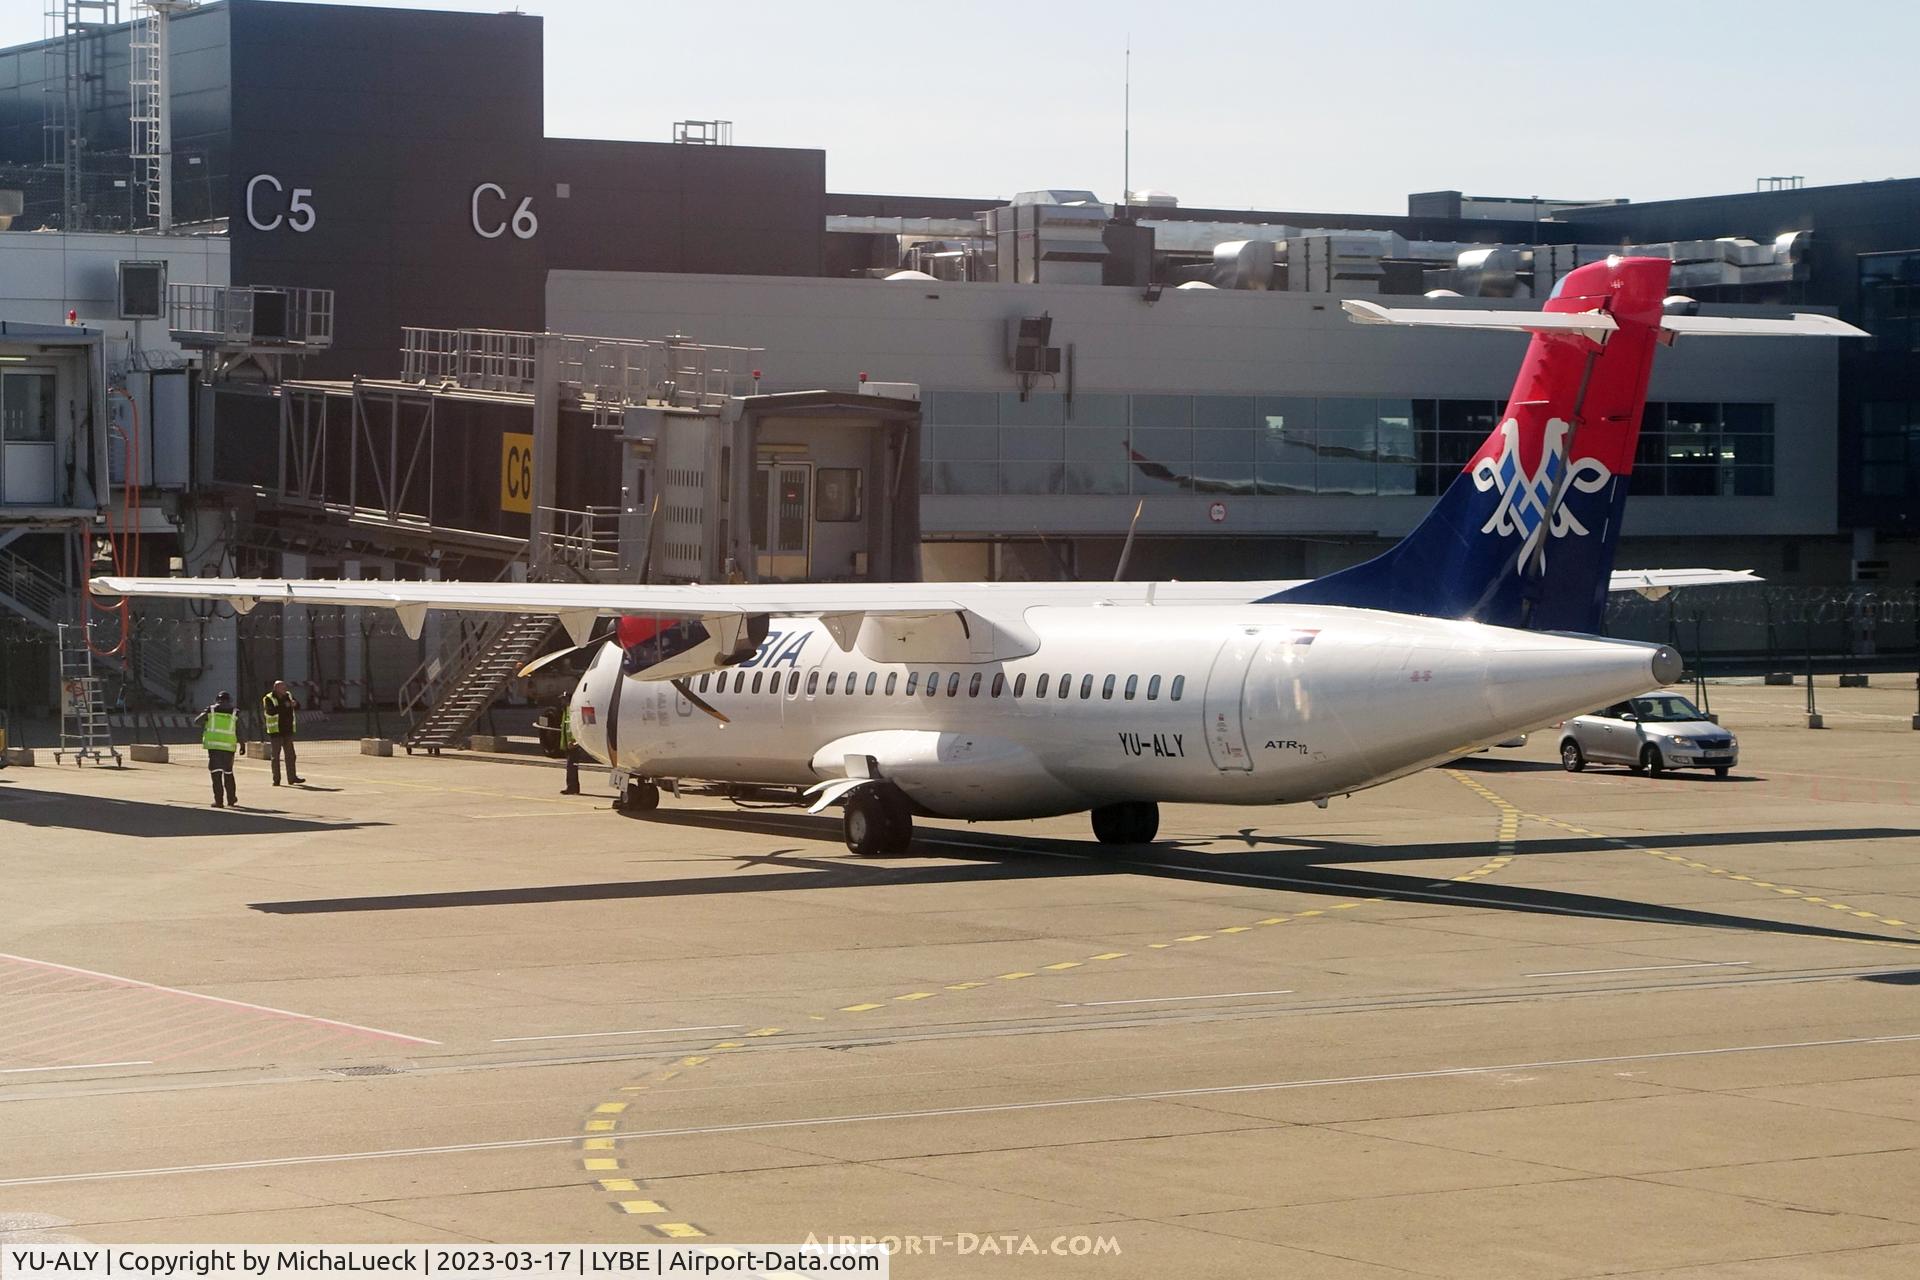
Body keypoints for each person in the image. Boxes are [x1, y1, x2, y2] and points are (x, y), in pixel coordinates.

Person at [193, 690, 241, 808]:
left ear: (217, 700)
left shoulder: (211, 710)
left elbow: (197, 721)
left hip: (214, 747)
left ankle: (219, 801)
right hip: (229, 747)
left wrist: (207, 722)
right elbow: (239, 729)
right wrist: (243, 744)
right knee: (228, 773)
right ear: (229, 700)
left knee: (216, 775)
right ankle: (231, 799)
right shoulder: (235, 712)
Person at [261, 679, 306, 785]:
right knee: (275, 757)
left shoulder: (288, 695)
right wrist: (285, 706)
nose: (284, 689)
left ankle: (292, 778)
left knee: (291, 755)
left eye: (285, 687)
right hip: (276, 731)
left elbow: (297, 705)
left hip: (288, 730)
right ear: (276, 688)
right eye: (282, 687)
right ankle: (276, 779)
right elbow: (270, 711)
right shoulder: (268, 698)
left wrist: (295, 704)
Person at [559, 699, 588, 795]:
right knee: (570, 767)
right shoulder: (566, 711)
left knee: (571, 767)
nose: (562, 702)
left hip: (573, 745)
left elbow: (576, 727)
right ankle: (572, 786)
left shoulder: (572, 711)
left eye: (564, 700)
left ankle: (572, 787)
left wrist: (575, 741)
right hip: (568, 744)